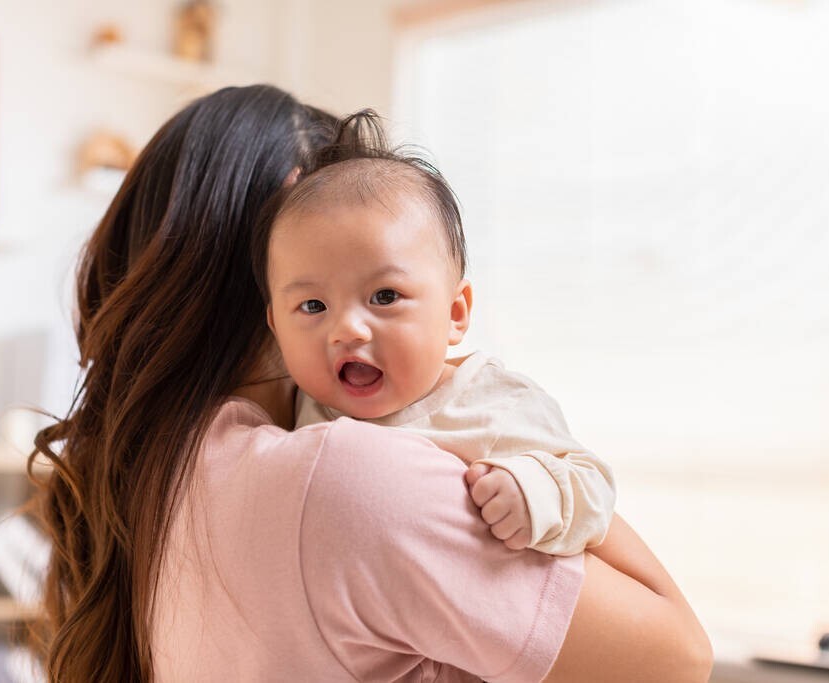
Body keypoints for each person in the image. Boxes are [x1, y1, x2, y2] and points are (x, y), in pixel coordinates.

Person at [31, 84, 712, 682]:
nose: (354, 327)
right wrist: (498, 423)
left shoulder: (157, 480)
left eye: (385, 293)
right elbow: (679, 655)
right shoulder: (348, 474)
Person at [254, 113, 614, 556]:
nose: (347, 329)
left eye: (385, 296)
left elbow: (592, 485)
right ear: (275, 328)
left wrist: (532, 491)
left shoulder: (492, 403)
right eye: (313, 306)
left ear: (455, 313)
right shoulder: (299, 407)